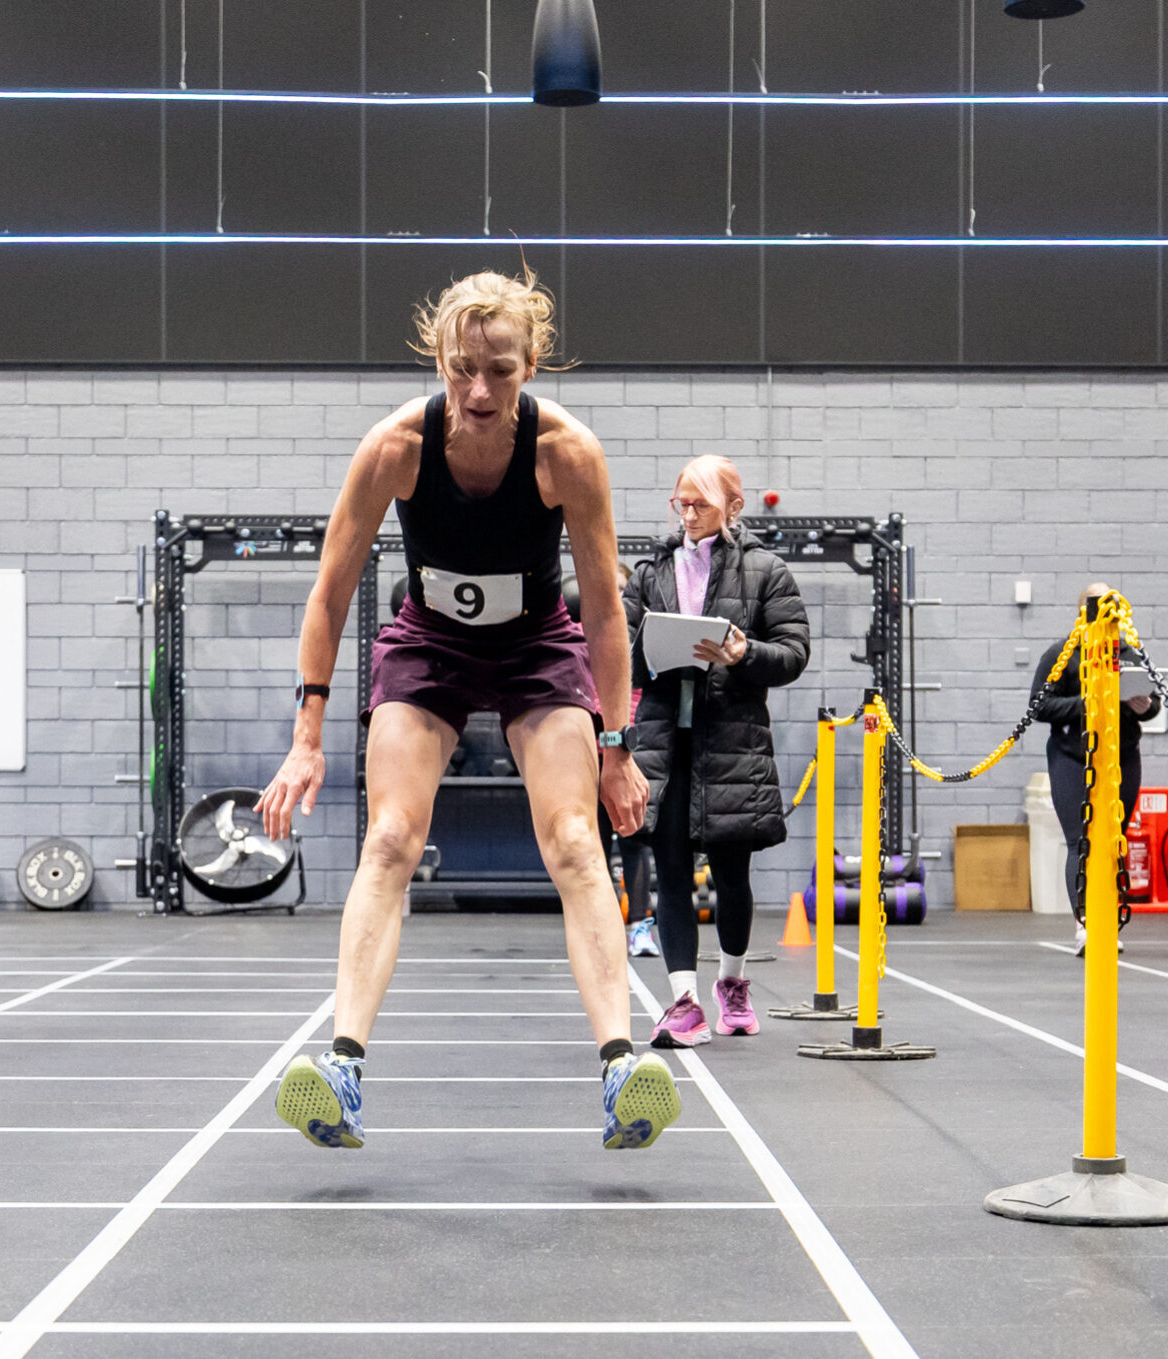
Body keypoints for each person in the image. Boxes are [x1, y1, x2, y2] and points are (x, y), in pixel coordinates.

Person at [256, 269, 680, 1152]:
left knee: (572, 837)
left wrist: (616, 745)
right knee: (388, 839)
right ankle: (339, 1066)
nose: (479, 391)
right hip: (428, 644)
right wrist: (304, 739)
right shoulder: (394, 448)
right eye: (461, 370)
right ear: (438, 360)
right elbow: (330, 594)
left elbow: (604, 610)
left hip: (537, 644)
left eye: (501, 371)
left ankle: (620, 1068)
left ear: (533, 365)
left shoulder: (567, 452)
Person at [623, 455, 809, 1046]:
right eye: (681, 501)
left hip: (731, 743)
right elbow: (615, 646)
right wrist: (645, 653)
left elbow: (793, 653)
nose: (688, 513)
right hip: (662, 744)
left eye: (700, 502)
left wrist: (744, 652)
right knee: (670, 871)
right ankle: (683, 1002)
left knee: (732, 874)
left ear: (734, 507)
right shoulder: (650, 570)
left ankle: (732, 983)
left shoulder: (766, 571)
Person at [1033, 583, 1158, 956]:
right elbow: (1039, 707)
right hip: (1072, 756)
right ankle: (1086, 924)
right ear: (1082, 615)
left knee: (1113, 840)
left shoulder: (1130, 653)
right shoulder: (1061, 655)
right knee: (1080, 841)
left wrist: (1144, 707)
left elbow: (1152, 707)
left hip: (1122, 756)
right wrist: (1088, 703)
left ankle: (1108, 917)